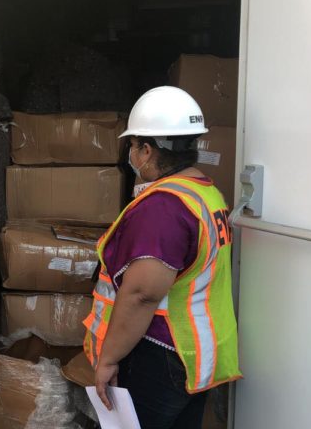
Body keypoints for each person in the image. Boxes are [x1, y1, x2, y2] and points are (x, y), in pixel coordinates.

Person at [83, 86, 242, 428]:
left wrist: (108, 358)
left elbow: (142, 294)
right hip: (192, 354)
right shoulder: (206, 193)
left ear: (146, 149)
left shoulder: (163, 207)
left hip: (161, 352)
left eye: (133, 146)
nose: (131, 155)